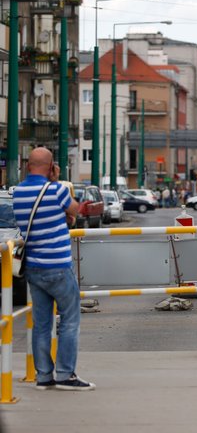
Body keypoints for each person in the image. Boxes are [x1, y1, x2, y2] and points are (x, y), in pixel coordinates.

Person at [13, 147, 94, 391]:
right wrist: (56, 180)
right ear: (50, 167)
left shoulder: (18, 193)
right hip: (57, 265)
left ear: (28, 164)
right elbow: (75, 209)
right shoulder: (56, 189)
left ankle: (44, 376)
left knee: (41, 323)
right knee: (70, 319)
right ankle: (65, 375)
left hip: (34, 268)